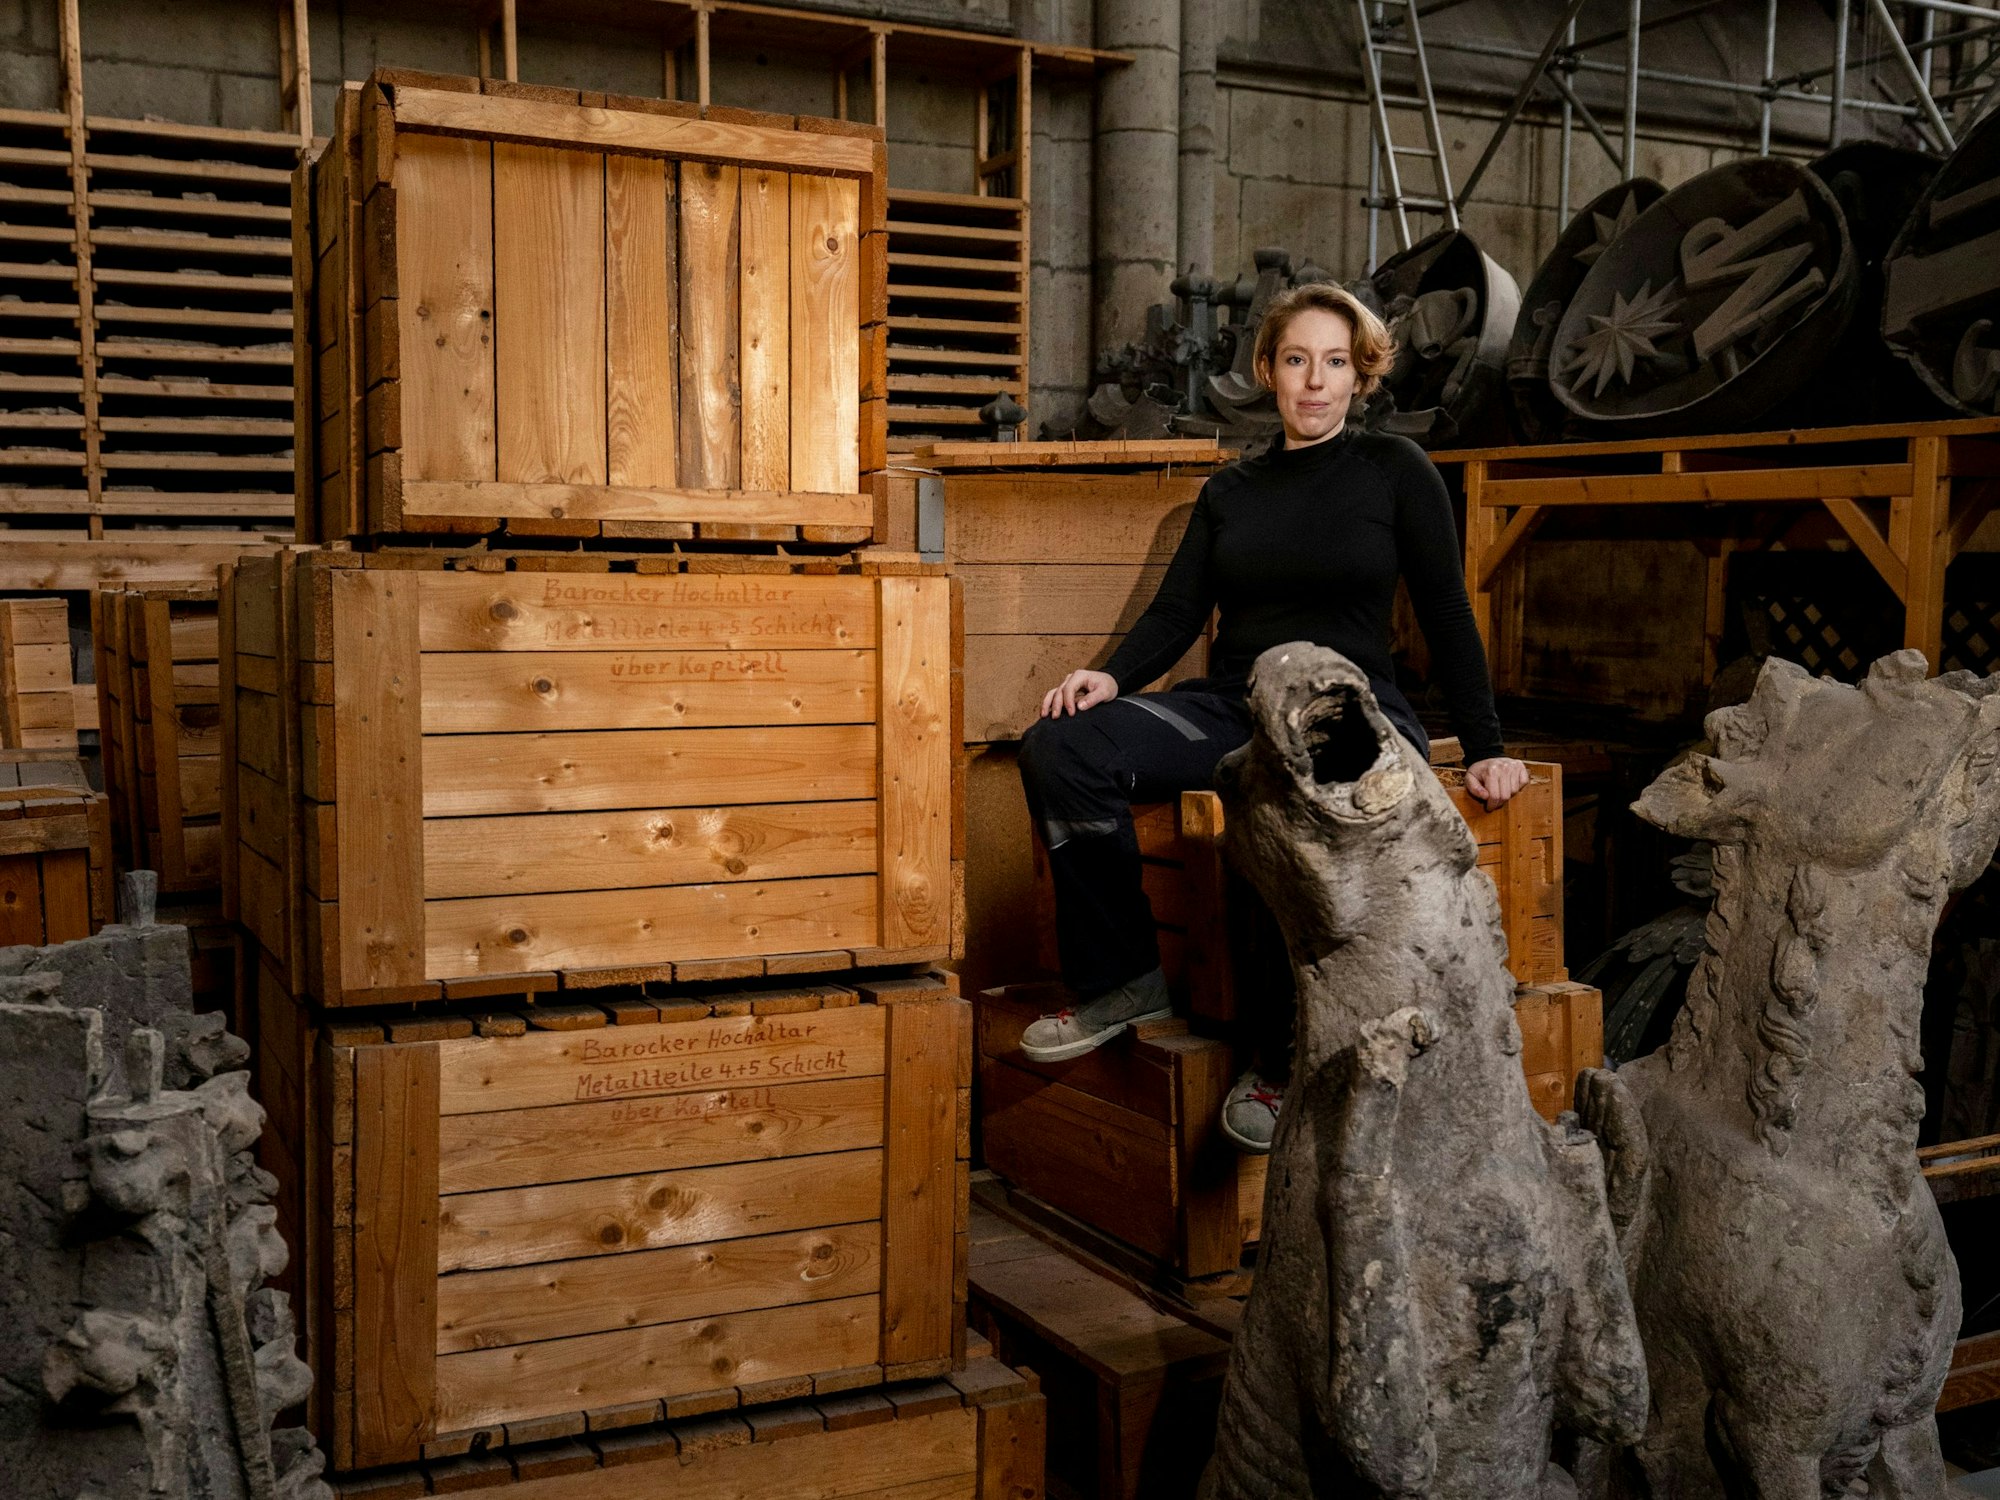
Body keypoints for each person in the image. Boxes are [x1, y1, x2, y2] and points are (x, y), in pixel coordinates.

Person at [1014, 281, 1529, 1153]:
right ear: (1268, 372)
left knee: (1285, 808)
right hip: (1236, 708)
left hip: (1350, 716)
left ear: (1360, 376)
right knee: (1059, 749)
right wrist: (1108, 678)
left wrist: (1485, 747)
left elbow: (1447, 612)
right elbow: (1177, 616)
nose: (1315, 381)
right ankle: (1124, 979)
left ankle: (1283, 1059)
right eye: (1297, 361)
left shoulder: (1395, 472)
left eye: (1335, 363)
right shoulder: (1232, 493)